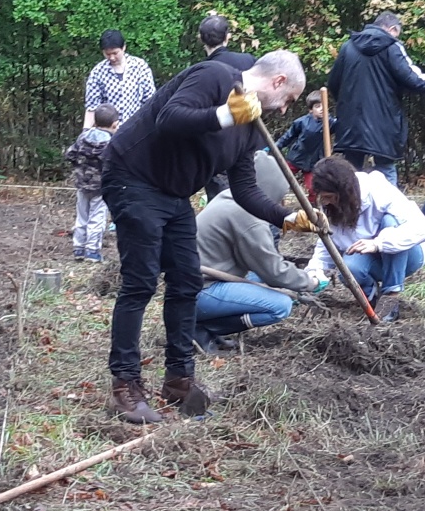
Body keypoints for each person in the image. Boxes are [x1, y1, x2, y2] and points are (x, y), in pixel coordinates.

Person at [102, 50, 310, 423]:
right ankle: (125, 387)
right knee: (140, 283)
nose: (283, 110)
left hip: (175, 194)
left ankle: (179, 379)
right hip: (132, 178)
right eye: (288, 100)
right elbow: (170, 119)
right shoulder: (216, 76)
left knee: (187, 283)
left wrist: (290, 219)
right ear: (278, 81)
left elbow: (245, 189)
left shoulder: (250, 126)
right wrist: (227, 114)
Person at [194, 152, 326, 351]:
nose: (279, 204)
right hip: (200, 292)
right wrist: (310, 282)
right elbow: (274, 272)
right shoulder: (248, 218)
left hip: (193, 284)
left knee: (261, 278)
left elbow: (265, 266)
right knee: (280, 305)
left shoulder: (229, 196)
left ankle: (198, 326)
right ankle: (198, 329)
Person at [325, 13, 425, 185]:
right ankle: (389, 211)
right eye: (397, 34)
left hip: (351, 124)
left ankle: (350, 210)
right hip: (383, 124)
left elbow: (332, 83)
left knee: (351, 174)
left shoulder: (348, 47)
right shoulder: (391, 46)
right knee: (385, 172)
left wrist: (347, 106)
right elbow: (415, 79)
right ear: (392, 29)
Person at [306, 155, 425, 322]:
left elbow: (422, 228)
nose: (327, 202)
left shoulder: (378, 191)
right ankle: (371, 296)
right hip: (372, 261)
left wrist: (378, 243)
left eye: (331, 197)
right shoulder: (330, 206)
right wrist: (311, 275)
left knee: (390, 222)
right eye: (324, 197)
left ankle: (390, 298)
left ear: (344, 191)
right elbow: (325, 245)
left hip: (408, 256)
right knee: (348, 267)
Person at [67, 105, 119, 261]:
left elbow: (70, 154)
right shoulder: (111, 143)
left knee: (82, 217)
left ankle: (78, 249)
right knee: (97, 218)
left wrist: (79, 167)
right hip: (101, 188)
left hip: (82, 185)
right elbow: (115, 164)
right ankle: (92, 251)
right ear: (114, 124)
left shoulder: (83, 137)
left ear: (94, 122)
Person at [85, 29, 157, 130]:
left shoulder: (140, 67)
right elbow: (92, 107)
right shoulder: (98, 72)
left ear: (123, 48)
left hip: (135, 129)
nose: (112, 57)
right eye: (107, 54)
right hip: (107, 133)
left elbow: (150, 101)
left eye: (115, 53)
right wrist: (85, 132)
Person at [273, 89, 331, 174]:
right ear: (311, 109)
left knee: (313, 186)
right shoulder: (301, 122)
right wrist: (275, 146)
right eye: (318, 106)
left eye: (324, 105)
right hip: (296, 157)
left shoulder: (330, 122)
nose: (322, 109)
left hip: (314, 162)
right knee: (282, 177)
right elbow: (288, 136)